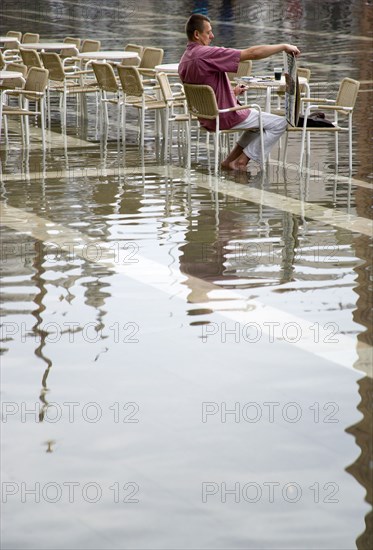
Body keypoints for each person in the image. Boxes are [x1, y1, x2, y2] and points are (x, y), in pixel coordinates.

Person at [178, 13, 301, 170]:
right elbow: (252, 53)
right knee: (282, 123)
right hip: (225, 116)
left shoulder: (184, 60)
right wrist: (283, 46)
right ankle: (242, 161)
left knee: (258, 125)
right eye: (208, 32)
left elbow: (205, 92)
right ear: (197, 34)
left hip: (207, 118)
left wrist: (232, 93)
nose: (212, 36)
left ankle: (228, 162)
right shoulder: (205, 54)